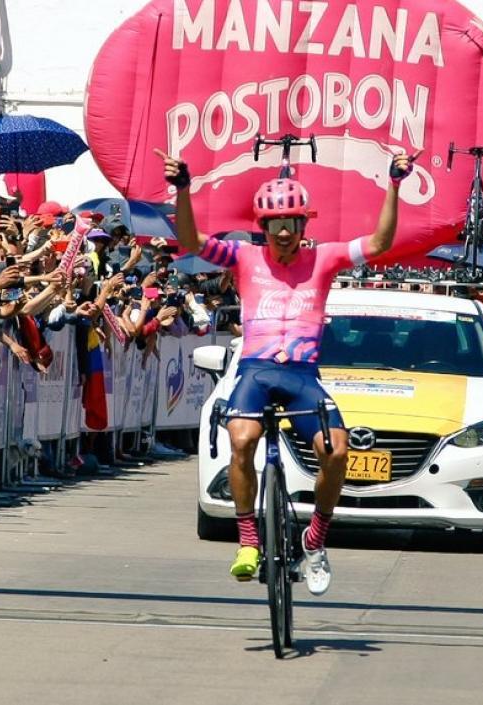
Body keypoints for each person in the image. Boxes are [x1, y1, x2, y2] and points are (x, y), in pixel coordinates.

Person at [156, 146, 418, 595]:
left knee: (336, 453)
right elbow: (193, 240)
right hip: (256, 371)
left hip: (303, 375)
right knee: (242, 441)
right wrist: (182, 190)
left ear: (303, 224)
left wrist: (393, 185)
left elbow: (379, 243)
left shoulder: (326, 258)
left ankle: (315, 538)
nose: (283, 232)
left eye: (291, 223)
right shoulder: (243, 258)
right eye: (275, 224)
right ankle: (248, 541)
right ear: (263, 226)